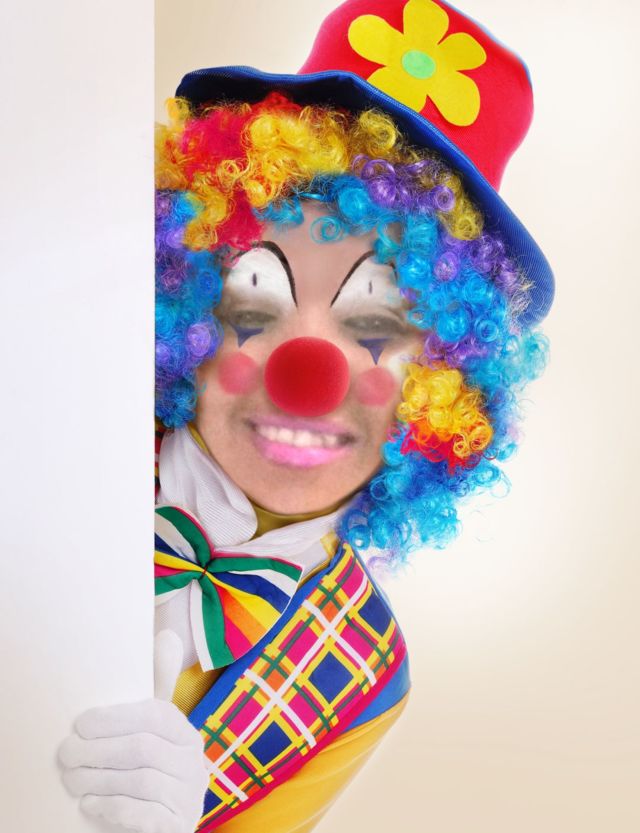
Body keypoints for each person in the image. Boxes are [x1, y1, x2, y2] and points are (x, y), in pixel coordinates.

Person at [58, 2, 554, 832]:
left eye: (376, 321)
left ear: (439, 391)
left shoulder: (362, 674)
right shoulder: (55, 441)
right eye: (259, 291)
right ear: (189, 294)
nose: (307, 370)